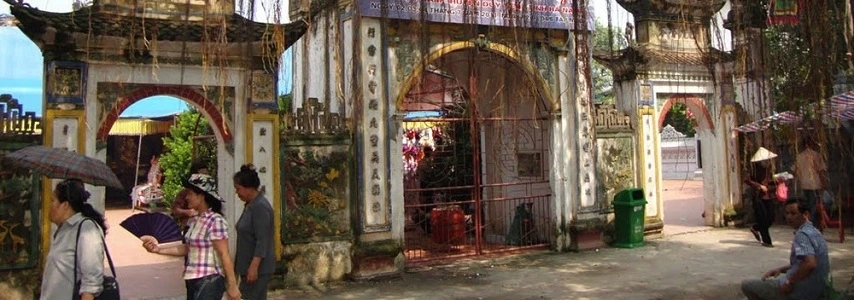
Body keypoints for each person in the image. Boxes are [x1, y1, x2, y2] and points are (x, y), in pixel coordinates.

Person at [142, 173, 241, 300]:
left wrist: (232, 285)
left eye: (190, 194)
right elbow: (188, 248)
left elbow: (224, 254)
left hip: (209, 279)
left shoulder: (215, 220)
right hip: (192, 278)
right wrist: (158, 249)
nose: (187, 197)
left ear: (201, 196)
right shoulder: (194, 220)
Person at [741, 198, 831, 300]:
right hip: (818, 287)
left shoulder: (802, 235)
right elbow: (802, 262)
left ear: (805, 214)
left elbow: (810, 263)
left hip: (803, 290)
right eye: (787, 213)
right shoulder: (815, 231)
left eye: (793, 213)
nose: (789, 217)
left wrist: (790, 282)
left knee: (747, 285)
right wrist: (780, 269)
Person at [41, 179, 107, 300]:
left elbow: (91, 283)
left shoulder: (87, 229)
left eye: (52, 201)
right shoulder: (64, 229)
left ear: (65, 205)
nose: (49, 205)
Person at [233, 164, 276, 300]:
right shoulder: (250, 205)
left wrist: (254, 267)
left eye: (238, 189)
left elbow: (262, 239)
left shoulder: (260, 207)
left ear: (249, 188)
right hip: (247, 266)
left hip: (258, 269)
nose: (237, 193)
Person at [744, 147, 777, 247]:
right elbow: (747, 180)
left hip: (769, 196)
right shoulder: (754, 169)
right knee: (762, 218)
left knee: (770, 218)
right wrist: (759, 186)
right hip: (759, 197)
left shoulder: (769, 169)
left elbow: (771, 181)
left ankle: (755, 228)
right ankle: (767, 241)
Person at [792, 137, 827, 227]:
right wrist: (823, 183)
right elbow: (821, 170)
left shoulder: (799, 156)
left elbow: (795, 170)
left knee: (807, 206)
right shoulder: (816, 155)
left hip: (804, 184)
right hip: (815, 184)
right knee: (814, 207)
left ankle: (807, 224)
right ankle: (811, 225)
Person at [172, 162, 210, 232]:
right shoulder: (184, 193)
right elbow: (175, 209)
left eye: (207, 175)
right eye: (202, 175)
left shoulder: (211, 194)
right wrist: (187, 212)